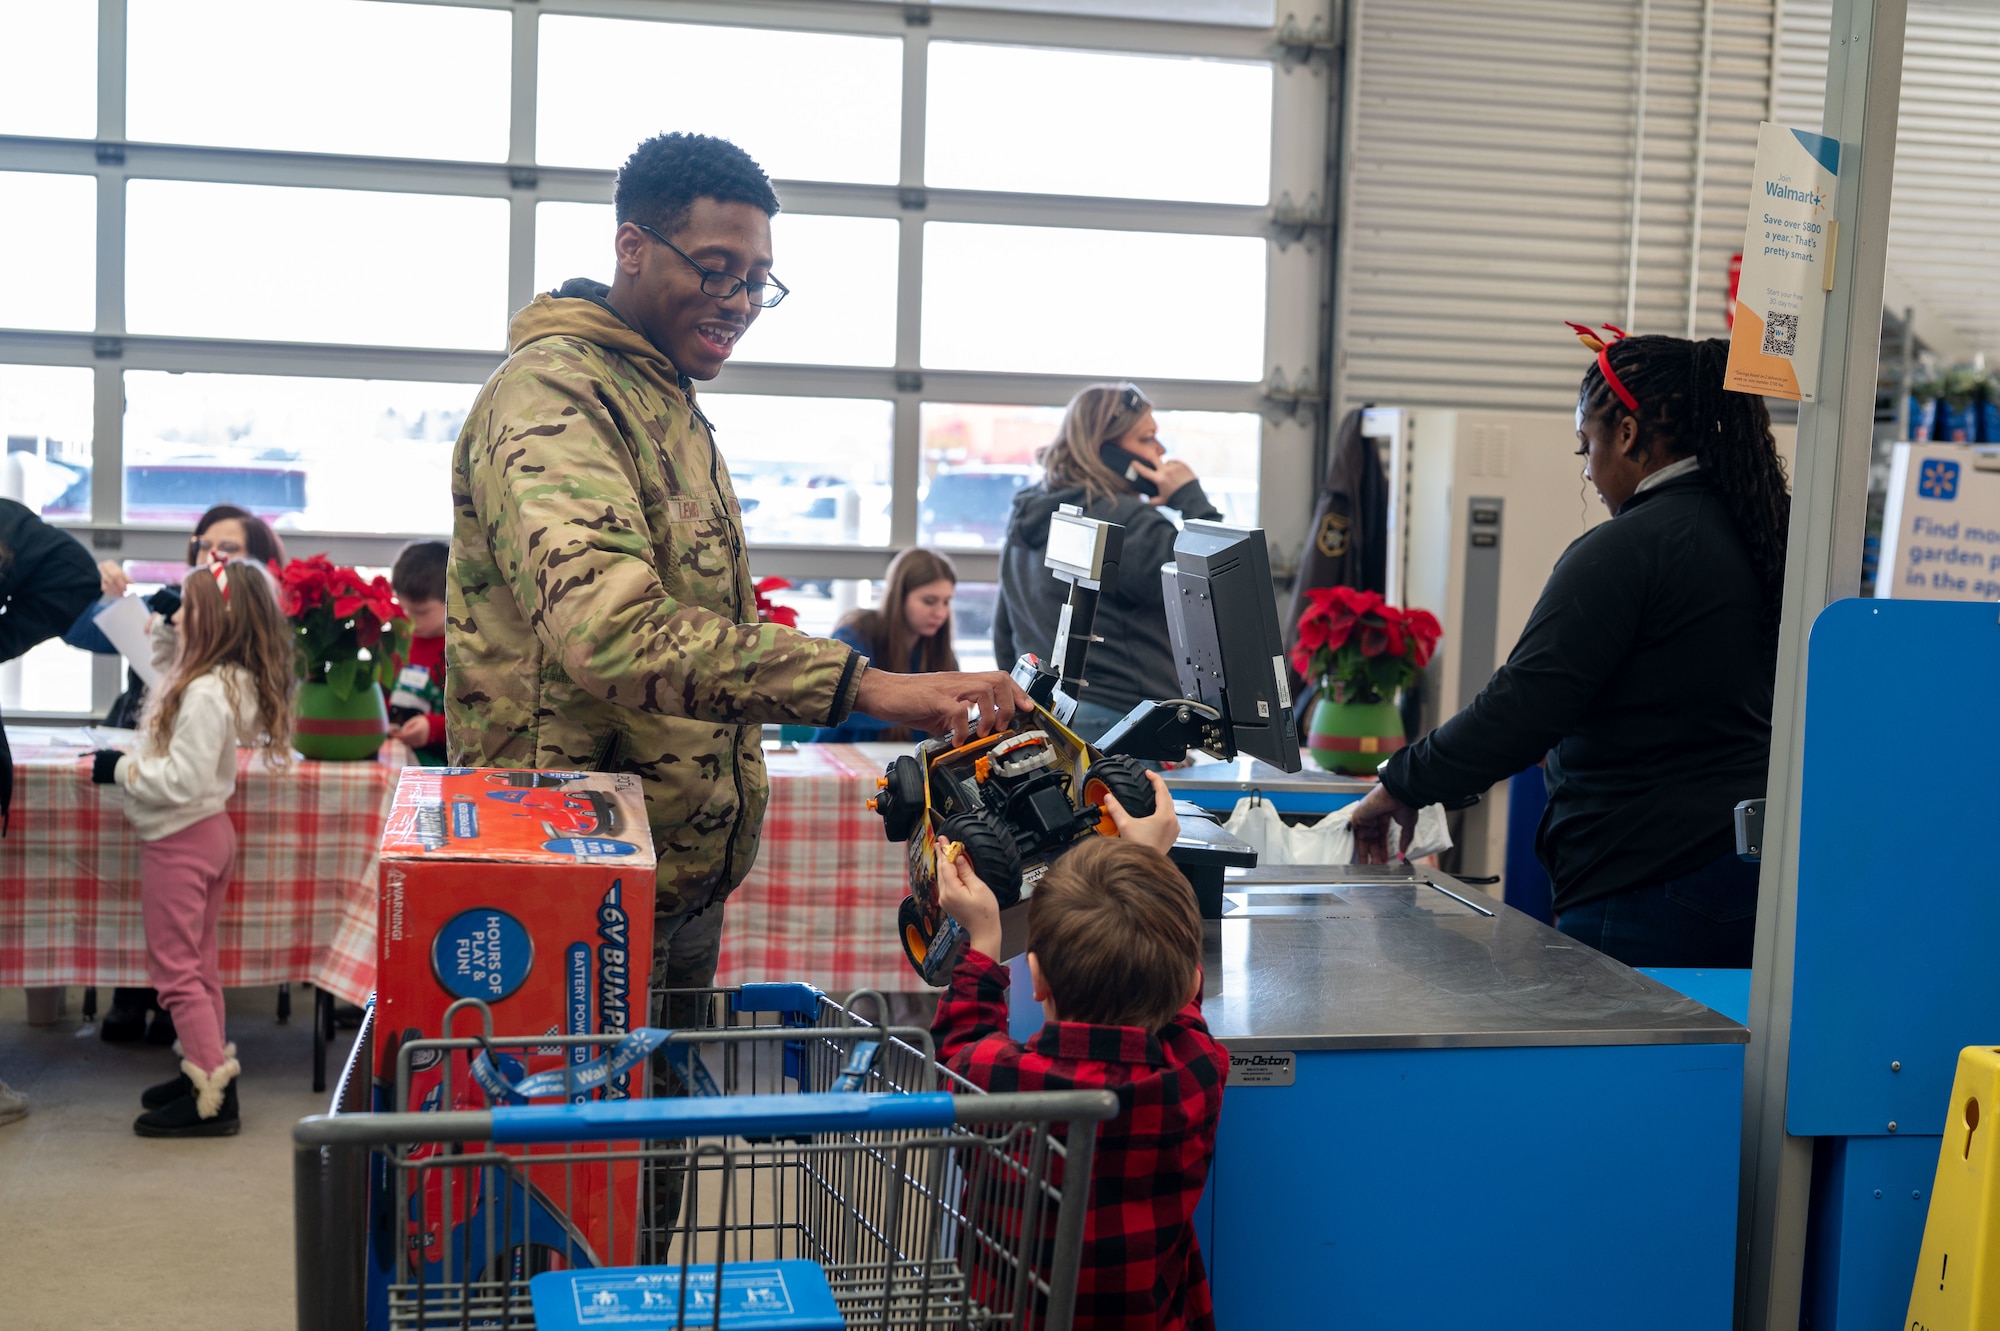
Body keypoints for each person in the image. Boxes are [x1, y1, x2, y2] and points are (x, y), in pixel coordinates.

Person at [448, 132, 1029, 1017]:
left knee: (662, 1148)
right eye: (717, 269)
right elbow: (612, 634)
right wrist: (871, 685)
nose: (741, 301)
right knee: (581, 1154)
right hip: (568, 882)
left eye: (759, 280)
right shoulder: (555, 396)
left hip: (668, 874)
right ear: (631, 247)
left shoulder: (667, 399)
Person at [1350, 333, 1789, 969]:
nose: (1587, 469)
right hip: (1748, 876)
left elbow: (1521, 709)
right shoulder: (1766, 538)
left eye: (1588, 445)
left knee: (1620, 1068)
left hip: (1645, 883)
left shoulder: (1625, 550)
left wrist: (1402, 782)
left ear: (1629, 436)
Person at [932, 769, 1227, 1330]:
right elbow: (1182, 996)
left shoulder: (998, 1083)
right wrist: (1152, 864)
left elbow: (960, 1044)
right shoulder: (1194, 1074)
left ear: (1035, 978)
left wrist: (984, 942)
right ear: (1190, 986)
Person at [87, 559, 295, 1137]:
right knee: (199, 968)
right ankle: (206, 1069)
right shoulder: (217, 679)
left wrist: (121, 770)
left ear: (212, 622)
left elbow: (182, 779)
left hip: (180, 837)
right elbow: (165, 674)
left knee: (176, 972)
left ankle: (211, 1094)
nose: (177, 611)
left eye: (188, 607)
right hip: (206, 835)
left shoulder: (205, 692)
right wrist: (163, 627)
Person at [994, 383, 1223, 742]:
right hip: (1126, 720)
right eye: (1147, 439)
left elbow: (1005, 631)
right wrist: (1192, 501)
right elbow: (1219, 587)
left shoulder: (1030, 513)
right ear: (1107, 450)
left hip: (1049, 720)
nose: (1161, 451)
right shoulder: (1127, 523)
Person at [815, 547, 959, 743]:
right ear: (899, 597)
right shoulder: (856, 634)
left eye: (946, 601)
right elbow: (837, 705)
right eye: (929, 601)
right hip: (840, 759)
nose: (940, 612)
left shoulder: (940, 652)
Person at [387, 540, 450, 764]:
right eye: (404, 608)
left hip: (439, 768)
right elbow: (383, 692)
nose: (410, 619)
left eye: (421, 612)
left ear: (451, 600)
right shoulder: (397, 643)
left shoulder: (458, 651)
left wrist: (433, 728)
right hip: (396, 759)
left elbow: (476, 718)